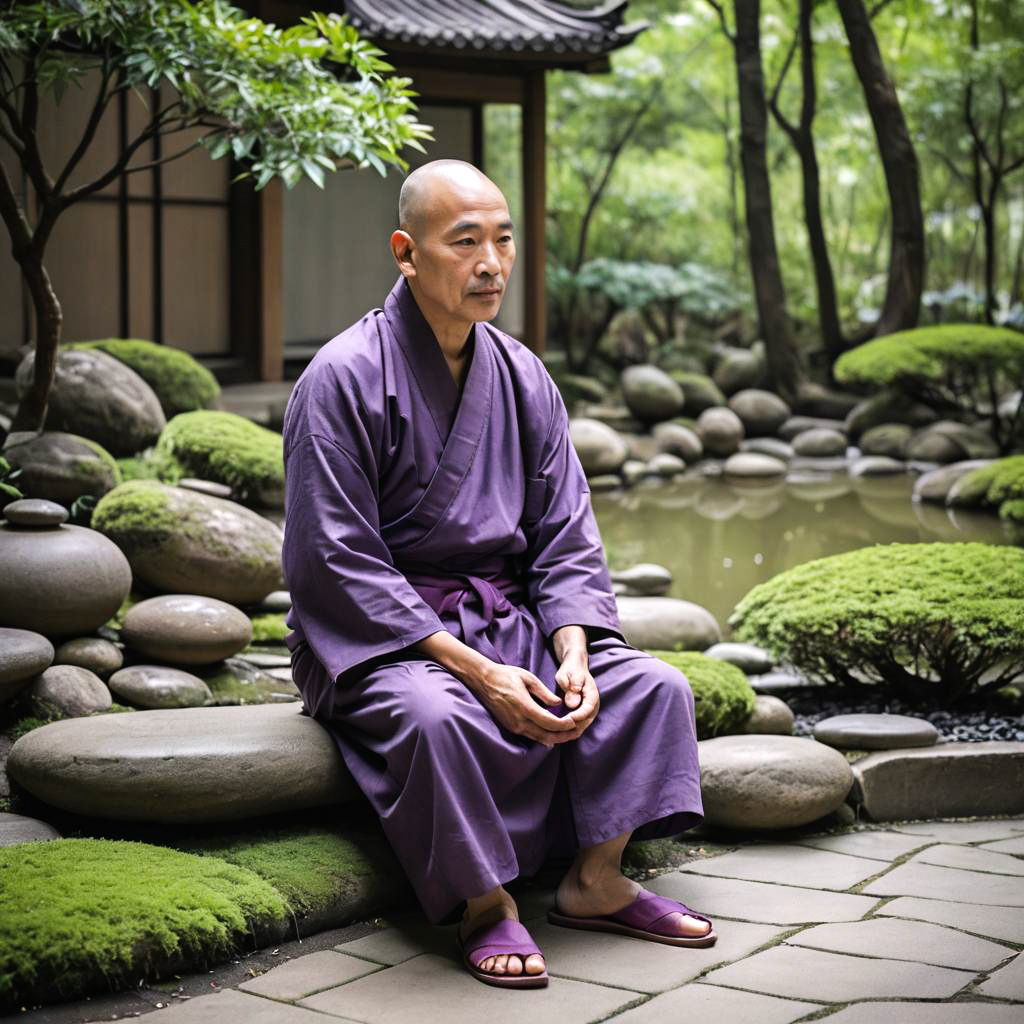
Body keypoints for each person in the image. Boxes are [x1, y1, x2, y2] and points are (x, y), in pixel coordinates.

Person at [281, 159, 713, 990]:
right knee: (439, 720)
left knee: (652, 687)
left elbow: (565, 534)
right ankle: (487, 905)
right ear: (406, 253)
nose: (491, 263)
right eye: (465, 242)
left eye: (504, 241)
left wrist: (574, 650)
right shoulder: (340, 378)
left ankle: (596, 880)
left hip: (507, 618)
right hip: (389, 641)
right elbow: (334, 560)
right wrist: (479, 671)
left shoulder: (521, 374)